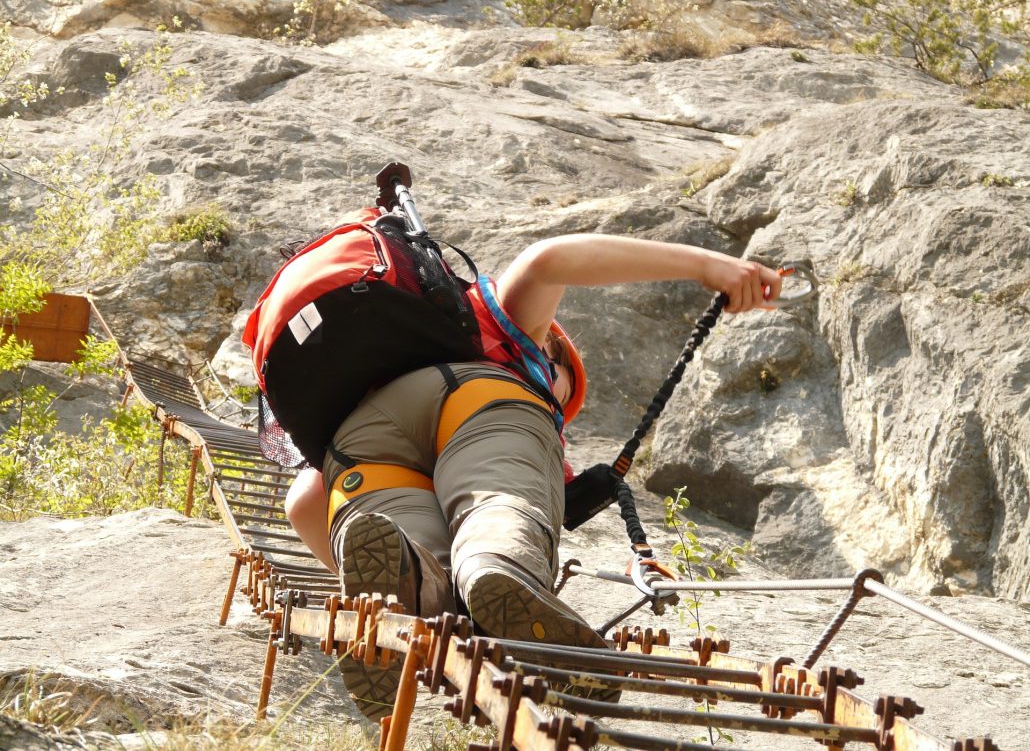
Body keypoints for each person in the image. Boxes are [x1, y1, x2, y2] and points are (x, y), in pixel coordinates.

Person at [284, 232, 782, 718]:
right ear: (554, 353)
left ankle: (418, 589)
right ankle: (495, 562)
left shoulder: (390, 356)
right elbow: (549, 259)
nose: (563, 406)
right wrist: (708, 266)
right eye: (566, 390)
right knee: (496, 505)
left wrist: (363, 548)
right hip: (476, 400)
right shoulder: (509, 333)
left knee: (414, 560)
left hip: (360, 443)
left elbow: (305, 500)